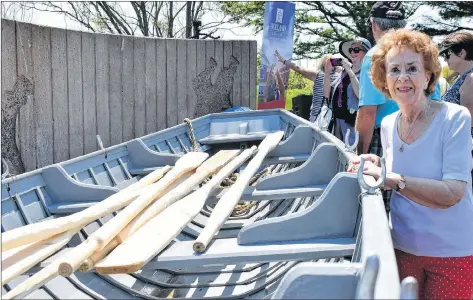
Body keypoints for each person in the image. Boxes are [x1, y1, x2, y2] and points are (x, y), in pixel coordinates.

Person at [348, 29, 473, 299]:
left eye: (412, 68)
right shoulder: (389, 124)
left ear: (427, 75)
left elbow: (453, 192)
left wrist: (391, 178)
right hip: (402, 248)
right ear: (384, 79)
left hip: (450, 252)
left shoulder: (454, 118)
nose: (402, 77)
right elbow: (408, 166)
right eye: (394, 70)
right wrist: (377, 162)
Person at [355, 1, 442, 156]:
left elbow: (368, 113)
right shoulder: (424, 51)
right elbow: (435, 100)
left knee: (386, 179)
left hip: (388, 137)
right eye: (395, 70)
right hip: (430, 133)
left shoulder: (376, 56)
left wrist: (360, 154)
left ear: (374, 25)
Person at [325, 38, 372, 144]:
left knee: (350, 152)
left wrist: (350, 72)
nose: (352, 53)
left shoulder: (368, 73)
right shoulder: (343, 72)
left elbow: (361, 95)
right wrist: (327, 73)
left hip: (352, 122)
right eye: (350, 50)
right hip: (337, 120)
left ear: (366, 53)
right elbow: (328, 94)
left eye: (356, 50)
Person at [274, 50, 339, 123]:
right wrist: (284, 61)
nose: (331, 63)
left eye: (333, 61)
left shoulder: (339, 76)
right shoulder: (318, 75)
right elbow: (298, 68)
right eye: (328, 61)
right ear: (324, 63)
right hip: (317, 115)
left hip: (332, 116)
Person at [439, 30, 473, 137]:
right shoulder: (462, 77)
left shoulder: (471, 79)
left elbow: (468, 122)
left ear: (462, 53)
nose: (444, 59)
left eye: (447, 54)